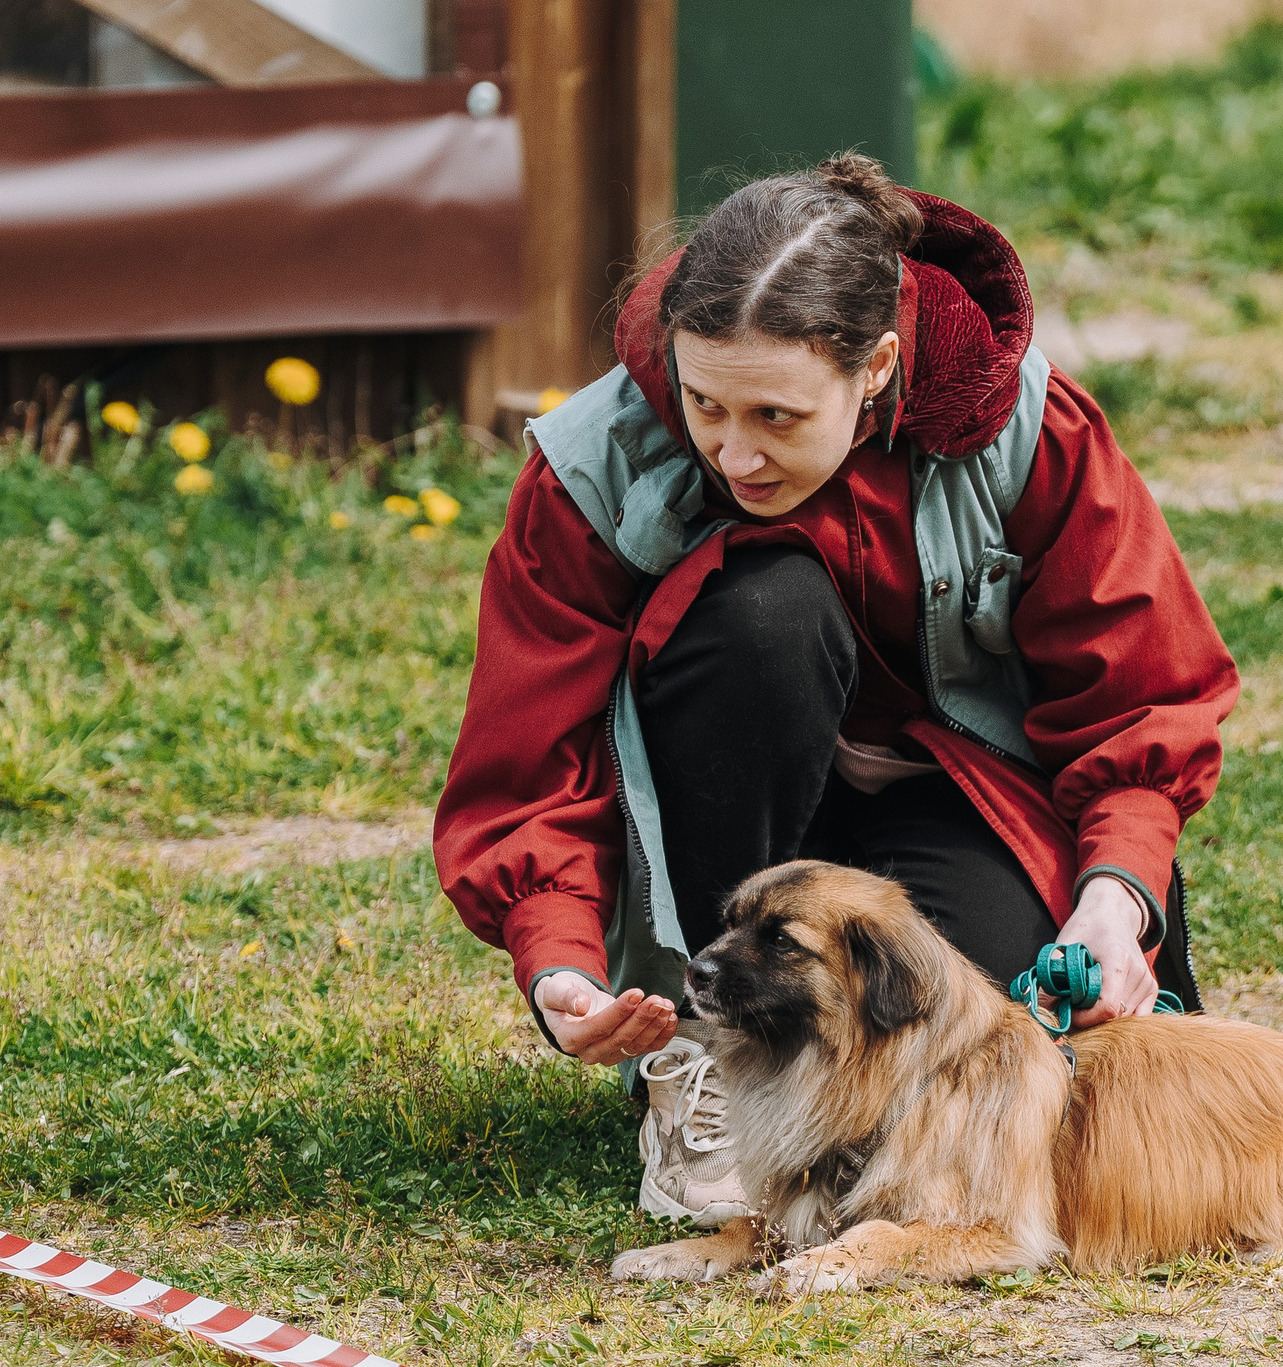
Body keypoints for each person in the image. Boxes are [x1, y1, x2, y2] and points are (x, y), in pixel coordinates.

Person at [434, 154, 1238, 1224]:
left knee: (989, 1031)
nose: (732, 451)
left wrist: (1110, 899)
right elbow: (525, 754)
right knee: (765, 610)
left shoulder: (1033, 429)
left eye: (775, 416)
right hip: (723, 809)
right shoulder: (593, 462)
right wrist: (558, 963)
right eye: (703, 402)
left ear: (877, 370)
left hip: (956, 800)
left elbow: (1143, 693)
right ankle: (709, 1070)